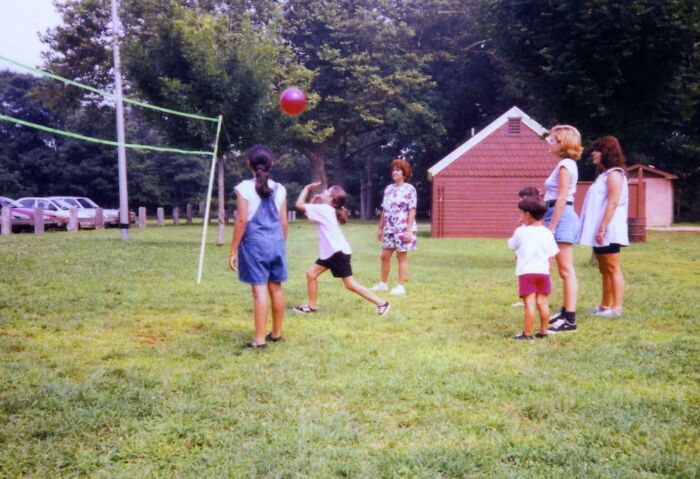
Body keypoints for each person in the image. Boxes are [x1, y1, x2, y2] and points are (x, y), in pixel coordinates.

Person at [294, 182, 391, 316]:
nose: (325, 191)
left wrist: (306, 188)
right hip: (331, 253)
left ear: (330, 199)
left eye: (328, 191)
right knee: (311, 274)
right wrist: (314, 200)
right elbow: (309, 218)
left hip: (336, 253)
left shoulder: (324, 210)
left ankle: (382, 303)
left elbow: (299, 205)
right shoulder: (326, 209)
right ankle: (311, 306)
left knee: (350, 284)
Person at [228, 145, 288, 349]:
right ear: (271, 164)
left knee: (259, 290)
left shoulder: (244, 188)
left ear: (249, 164)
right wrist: (281, 245)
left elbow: (242, 221)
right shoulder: (280, 189)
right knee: (276, 288)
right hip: (276, 243)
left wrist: (233, 249)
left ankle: (260, 339)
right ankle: (277, 333)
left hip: (255, 245)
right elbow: (284, 223)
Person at [577, 136, 629, 317]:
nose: (593, 153)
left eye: (597, 150)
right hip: (601, 229)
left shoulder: (615, 174)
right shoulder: (604, 175)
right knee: (604, 268)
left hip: (609, 229)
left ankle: (617, 308)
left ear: (606, 153)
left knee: (613, 268)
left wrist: (602, 228)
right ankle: (605, 306)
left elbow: (613, 203)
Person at [543, 125, 582, 334]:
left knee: (566, 270)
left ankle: (570, 320)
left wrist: (552, 226)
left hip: (562, 216)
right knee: (563, 270)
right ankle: (565, 312)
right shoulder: (562, 165)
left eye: (552, 139)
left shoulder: (566, 165)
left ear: (563, 143)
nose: (549, 142)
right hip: (556, 214)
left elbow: (562, 197)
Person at [508, 196, 559, 339]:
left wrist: (517, 227)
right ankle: (543, 332)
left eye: (521, 213)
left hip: (527, 273)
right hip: (543, 272)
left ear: (527, 215)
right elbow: (552, 254)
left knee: (529, 304)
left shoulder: (521, 232)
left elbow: (512, 245)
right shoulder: (548, 233)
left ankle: (528, 333)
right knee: (542, 302)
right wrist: (549, 270)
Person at [371, 158, 417, 295]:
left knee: (401, 257)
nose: (394, 172)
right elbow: (384, 209)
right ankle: (383, 284)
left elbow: (412, 210)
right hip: (390, 228)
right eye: (393, 170)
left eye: (398, 170)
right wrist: (380, 228)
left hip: (403, 229)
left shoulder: (410, 189)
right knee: (384, 256)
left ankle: (400, 286)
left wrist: (408, 231)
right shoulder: (389, 189)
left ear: (404, 173)